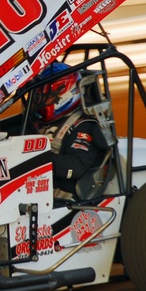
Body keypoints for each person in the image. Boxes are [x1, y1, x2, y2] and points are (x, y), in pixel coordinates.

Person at [29, 62, 110, 199]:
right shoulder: (37, 121)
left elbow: (76, 166)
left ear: (67, 95)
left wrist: (36, 161)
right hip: (36, 192)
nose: (42, 102)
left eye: (48, 97)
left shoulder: (84, 125)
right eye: (39, 97)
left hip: (65, 200)